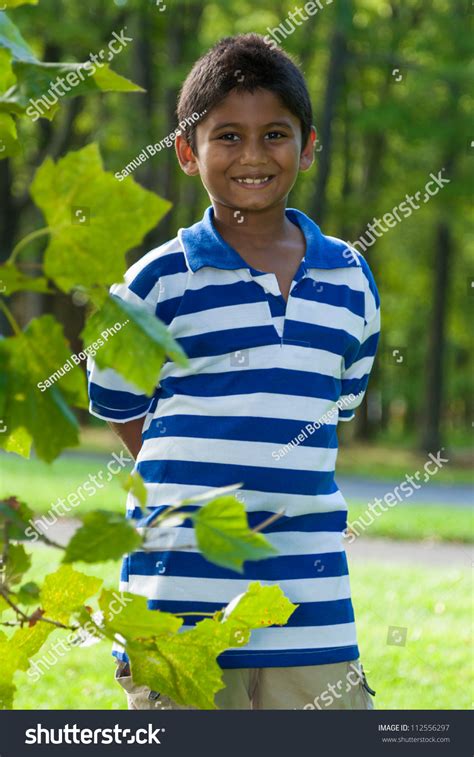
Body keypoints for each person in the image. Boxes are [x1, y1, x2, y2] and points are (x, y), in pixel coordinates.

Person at [87, 33, 380, 710]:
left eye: (275, 133)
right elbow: (123, 408)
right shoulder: (152, 284)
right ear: (188, 152)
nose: (253, 155)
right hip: (179, 612)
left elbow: (332, 409)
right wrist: (192, 477)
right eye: (228, 136)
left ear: (307, 147)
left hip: (311, 611)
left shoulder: (350, 279)